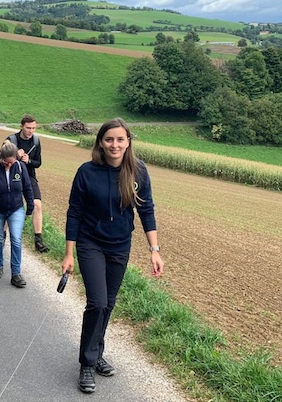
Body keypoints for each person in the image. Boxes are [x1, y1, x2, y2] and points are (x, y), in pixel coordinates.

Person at [60, 118, 164, 393]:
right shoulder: (87, 172)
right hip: (90, 243)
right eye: (109, 139)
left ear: (128, 141)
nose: (114, 145)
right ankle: (87, 363)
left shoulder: (138, 172)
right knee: (97, 302)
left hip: (120, 244)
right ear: (100, 143)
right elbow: (74, 212)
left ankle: (96, 352)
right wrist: (68, 254)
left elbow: (147, 210)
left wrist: (154, 250)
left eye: (120, 139)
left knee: (109, 303)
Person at [0, 141, 33, 288]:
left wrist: (30, 206)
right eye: (6, 162)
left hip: (16, 209)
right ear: (1, 158)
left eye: (11, 162)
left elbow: (27, 188)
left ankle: (16, 274)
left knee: (16, 239)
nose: (9, 165)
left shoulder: (20, 167)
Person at [6, 114, 49, 253]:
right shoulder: (11, 140)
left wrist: (28, 161)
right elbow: (2, 159)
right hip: (12, 175)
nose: (31, 131)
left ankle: (38, 240)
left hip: (29, 176)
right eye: (28, 128)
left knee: (37, 204)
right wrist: (15, 156)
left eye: (33, 128)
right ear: (21, 126)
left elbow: (38, 163)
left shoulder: (36, 141)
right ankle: (2, 235)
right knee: (9, 204)